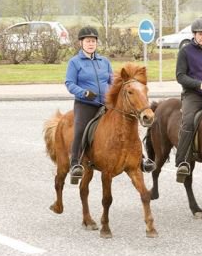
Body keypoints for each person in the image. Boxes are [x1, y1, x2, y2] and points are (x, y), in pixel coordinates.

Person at [65, 26, 154, 182]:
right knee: (80, 129)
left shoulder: (104, 61)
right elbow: (69, 83)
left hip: (105, 103)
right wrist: (84, 93)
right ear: (81, 43)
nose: (91, 44)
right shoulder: (75, 62)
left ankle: (141, 159)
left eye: (93, 41)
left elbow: (112, 82)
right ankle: (75, 164)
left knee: (129, 125)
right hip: (85, 104)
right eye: (87, 41)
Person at [175, 17, 202, 183]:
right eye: (201, 34)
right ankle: (182, 161)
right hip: (192, 94)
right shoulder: (185, 51)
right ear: (194, 34)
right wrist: (199, 84)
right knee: (188, 121)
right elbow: (180, 76)